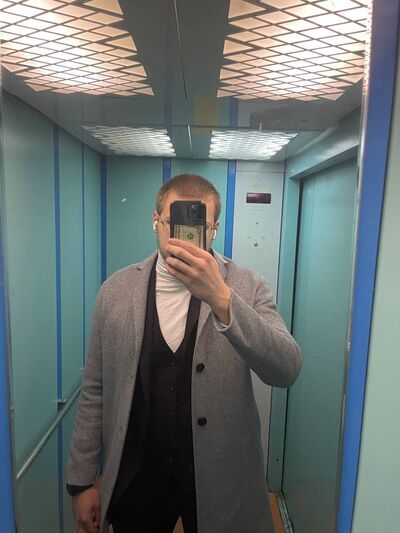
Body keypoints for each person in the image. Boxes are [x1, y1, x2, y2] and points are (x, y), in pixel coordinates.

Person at [66, 173, 301, 533]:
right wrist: (81, 481)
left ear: (214, 230)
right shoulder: (115, 291)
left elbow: (286, 369)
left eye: (198, 226)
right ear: (155, 221)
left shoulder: (247, 286)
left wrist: (222, 299)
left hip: (222, 479)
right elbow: (95, 389)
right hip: (137, 478)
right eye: (172, 222)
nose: (183, 236)